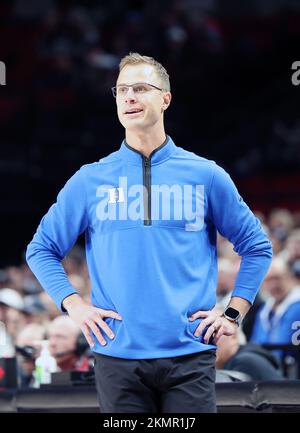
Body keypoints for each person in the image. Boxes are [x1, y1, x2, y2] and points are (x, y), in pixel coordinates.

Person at [26, 52, 273, 413]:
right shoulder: (89, 179)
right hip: (116, 355)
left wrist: (232, 313)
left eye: (140, 88)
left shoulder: (206, 174)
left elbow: (257, 247)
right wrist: (74, 305)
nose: (128, 97)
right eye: (122, 90)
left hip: (190, 355)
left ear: (165, 98)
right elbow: (41, 248)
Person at [250, 256, 300, 359]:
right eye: (269, 280)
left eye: (277, 278)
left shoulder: (297, 306)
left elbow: (285, 345)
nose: (274, 285)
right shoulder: (264, 310)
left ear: (290, 277)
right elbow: (255, 344)